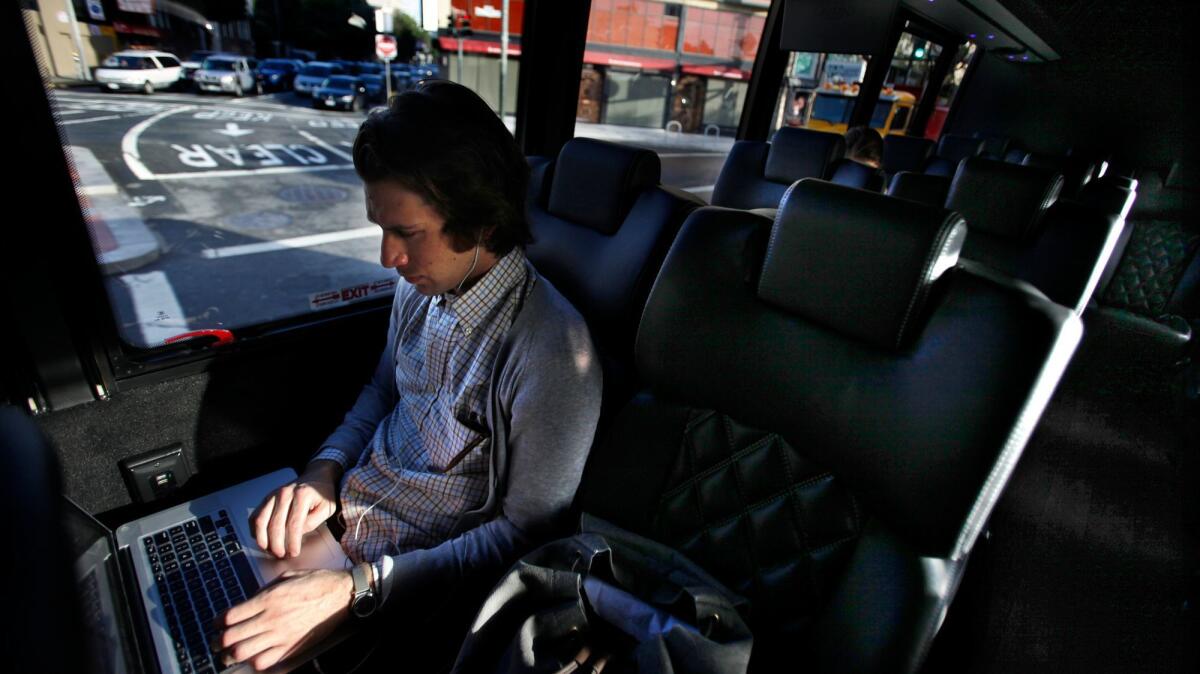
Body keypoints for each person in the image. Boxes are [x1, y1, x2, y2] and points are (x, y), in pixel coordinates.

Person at [212, 80, 603, 672]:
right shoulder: (418, 291)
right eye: (381, 229)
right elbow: (381, 392)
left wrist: (354, 593)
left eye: (407, 234)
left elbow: (524, 536)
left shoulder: (551, 352)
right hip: (336, 533)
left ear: (481, 221)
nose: (387, 258)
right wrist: (323, 471)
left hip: (409, 593)